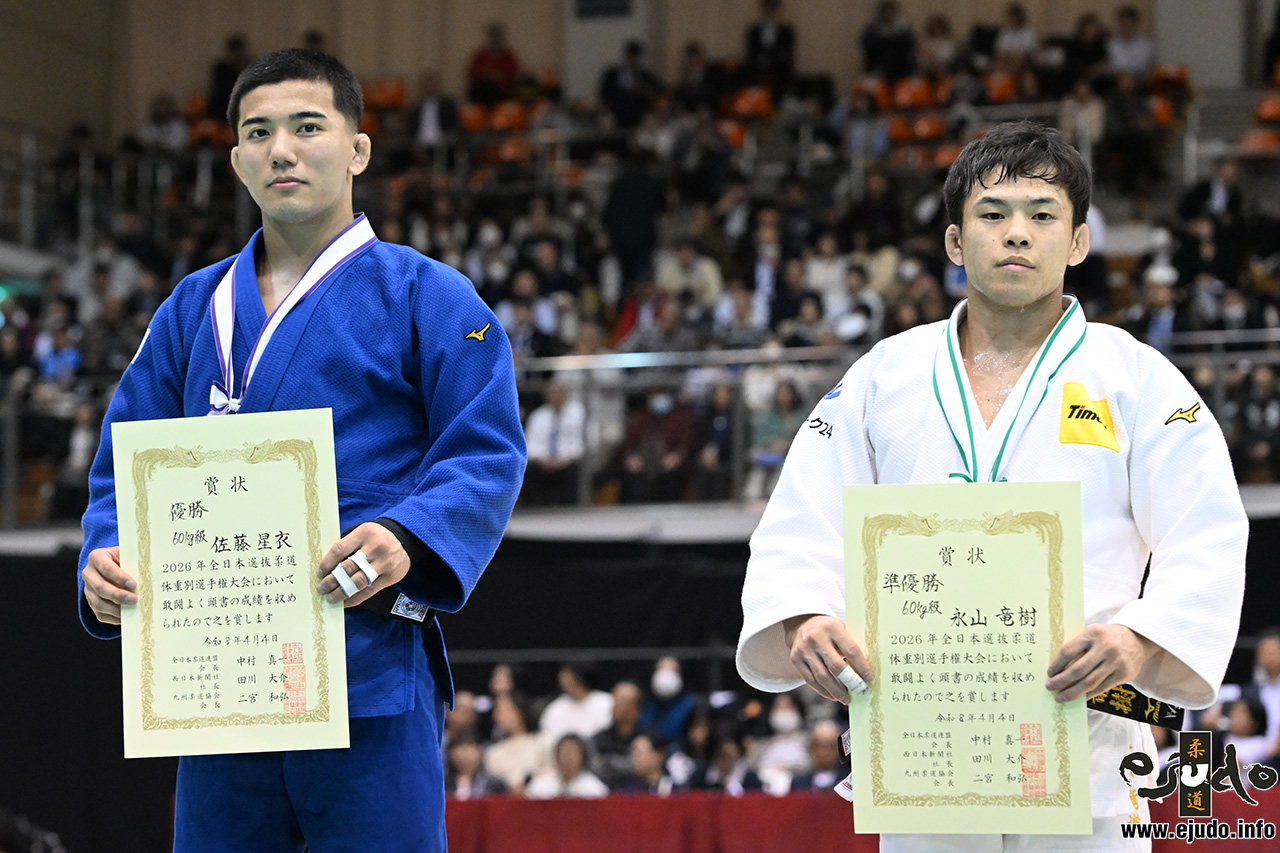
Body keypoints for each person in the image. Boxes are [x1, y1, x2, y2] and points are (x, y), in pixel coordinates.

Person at [737, 121, 1247, 849]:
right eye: (993, 214)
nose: (1017, 234)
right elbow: (799, 519)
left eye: (1043, 216)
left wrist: (1138, 637)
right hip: (924, 741)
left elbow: (1208, 529)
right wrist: (802, 618)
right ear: (954, 241)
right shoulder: (886, 374)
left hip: (1089, 739)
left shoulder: (1133, 377)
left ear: (1077, 243)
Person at [77, 49, 526, 853]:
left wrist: (408, 535)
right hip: (219, 677)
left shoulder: (428, 293)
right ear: (237, 159)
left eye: (307, 126)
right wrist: (106, 550)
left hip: (365, 664)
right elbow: (124, 452)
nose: (281, 148)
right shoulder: (192, 307)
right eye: (258, 132)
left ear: (356, 147)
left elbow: (485, 449)